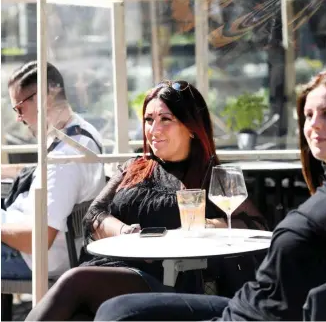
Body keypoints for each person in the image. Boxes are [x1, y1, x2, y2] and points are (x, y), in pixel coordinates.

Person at [94, 68, 326, 321]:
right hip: (244, 304)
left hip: (250, 313)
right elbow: (95, 214)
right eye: (308, 115)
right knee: (113, 308)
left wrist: (214, 223)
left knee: (116, 312)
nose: (314, 125)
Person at [25, 80, 265, 321]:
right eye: (149, 120)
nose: (153, 129)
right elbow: (94, 215)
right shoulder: (134, 166)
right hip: (110, 268)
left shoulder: (208, 177)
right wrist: (125, 232)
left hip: (166, 278)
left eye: (165, 119)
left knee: (74, 281)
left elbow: (255, 225)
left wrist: (212, 225)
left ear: (191, 126)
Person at [1, 61, 106, 280]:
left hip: (37, 259)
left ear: (42, 99)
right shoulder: (81, 133)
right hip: (63, 250)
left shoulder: (64, 159)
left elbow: (38, 241)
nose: (18, 118)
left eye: (19, 108)